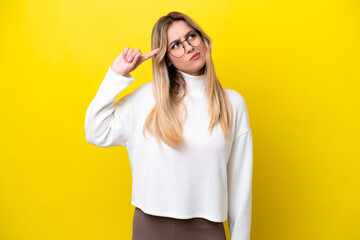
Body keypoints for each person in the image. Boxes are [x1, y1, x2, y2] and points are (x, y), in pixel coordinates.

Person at [85, 11, 253, 240]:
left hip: (208, 229)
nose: (189, 47)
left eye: (191, 36)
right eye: (176, 45)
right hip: (151, 227)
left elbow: (240, 185)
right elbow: (96, 132)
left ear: (202, 38)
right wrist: (116, 75)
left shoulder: (233, 103)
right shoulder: (147, 98)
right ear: (167, 59)